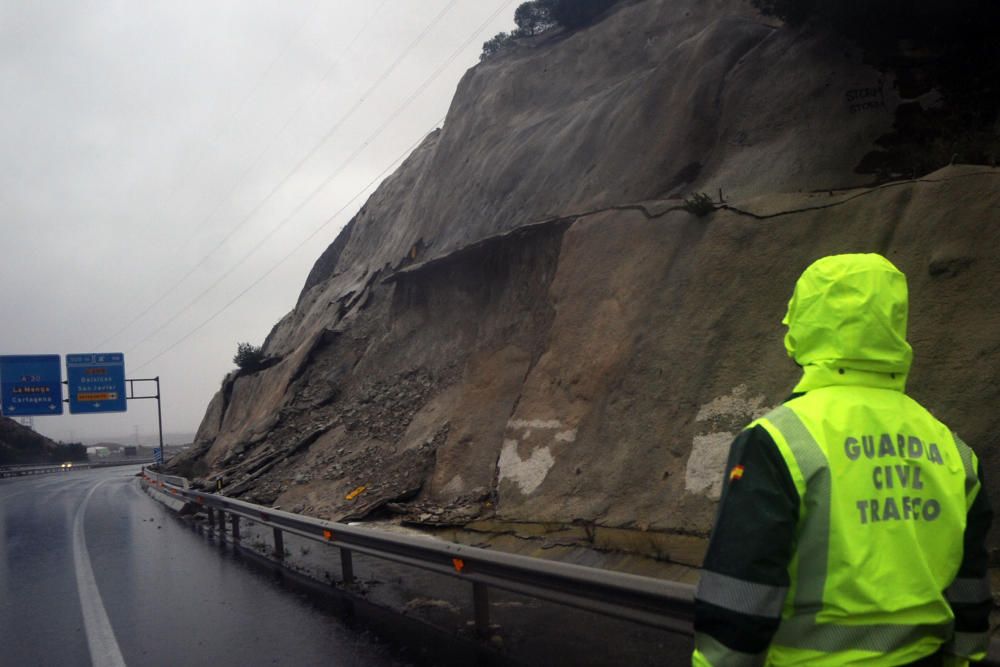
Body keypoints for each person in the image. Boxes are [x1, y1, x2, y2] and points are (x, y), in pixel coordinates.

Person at [692, 253, 992, 666]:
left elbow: (741, 592)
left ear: (805, 323)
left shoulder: (778, 440)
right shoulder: (952, 448)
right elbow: (971, 586)